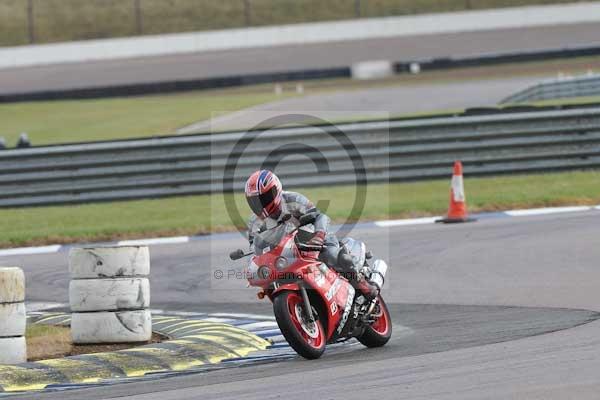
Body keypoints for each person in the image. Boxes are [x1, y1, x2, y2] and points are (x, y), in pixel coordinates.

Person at [245, 169, 378, 298]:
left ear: (276, 190)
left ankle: (362, 284)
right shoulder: (253, 222)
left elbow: (320, 217)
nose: (261, 204)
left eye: (264, 198)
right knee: (269, 283)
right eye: (255, 201)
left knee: (332, 256)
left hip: (312, 239)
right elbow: (254, 248)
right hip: (284, 254)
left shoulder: (293, 200)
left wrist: (319, 236)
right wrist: (252, 268)